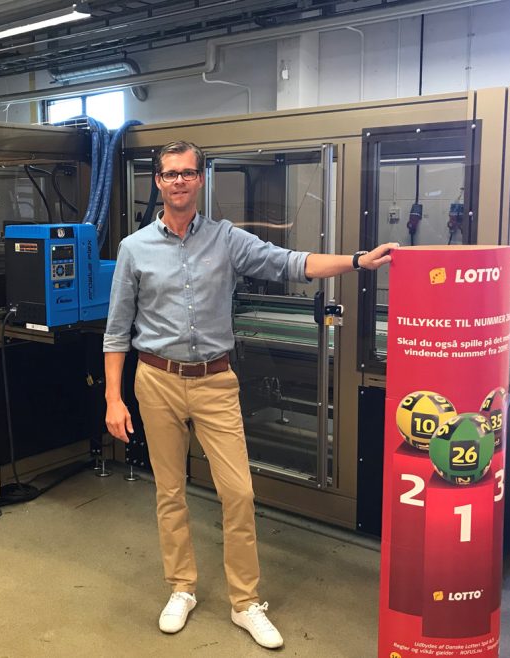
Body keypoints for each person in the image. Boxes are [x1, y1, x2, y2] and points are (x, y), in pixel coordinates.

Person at [102, 140, 396, 650]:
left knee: (238, 493)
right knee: (169, 491)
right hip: (156, 380)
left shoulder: (225, 239)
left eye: (187, 172)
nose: (178, 181)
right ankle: (181, 587)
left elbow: (291, 263)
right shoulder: (134, 248)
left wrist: (356, 260)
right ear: (158, 181)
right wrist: (113, 398)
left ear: (200, 179)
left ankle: (244, 602)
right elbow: (116, 332)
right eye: (170, 174)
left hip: (215, 382)